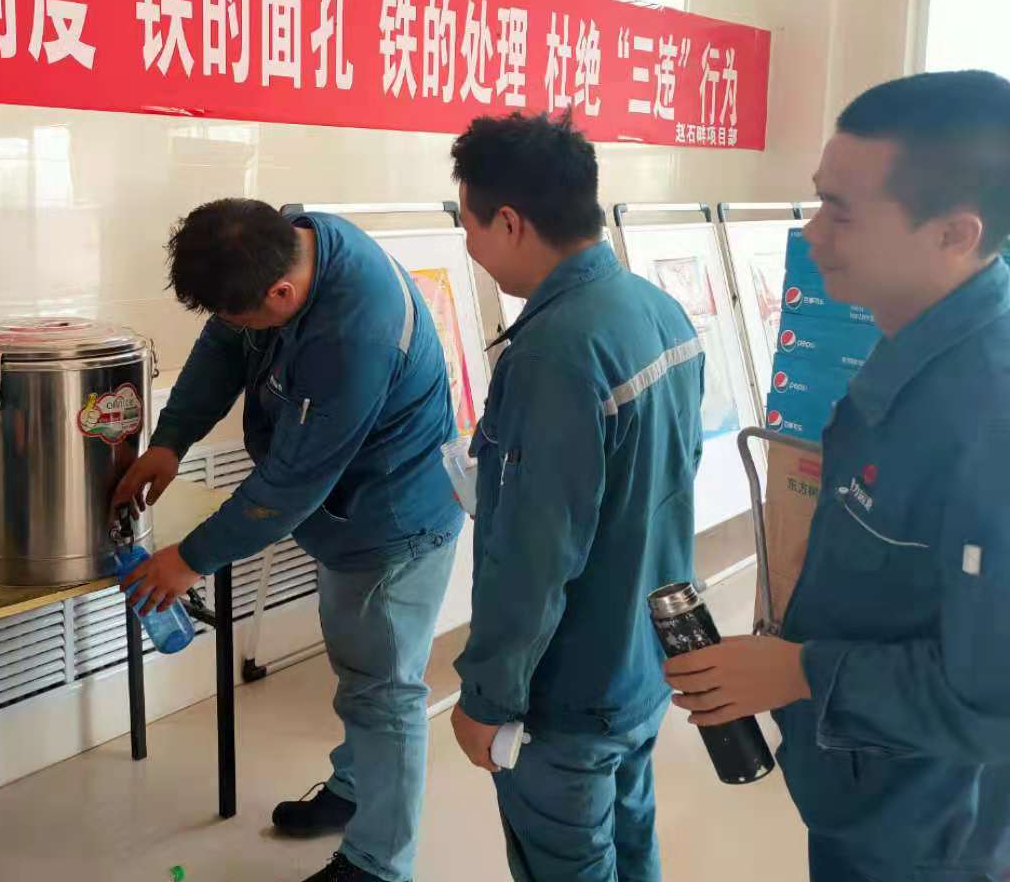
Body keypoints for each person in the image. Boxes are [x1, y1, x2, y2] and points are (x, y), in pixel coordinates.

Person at [664, 70, 1010, 882]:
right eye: (818, 200)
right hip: (860, 785)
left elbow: (993, 700)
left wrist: (797, 672)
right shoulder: (907, 347)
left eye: (840, 212)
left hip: (930, 832)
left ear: (953, 235)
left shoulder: (989, 421)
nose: (812, 234)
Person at [113, 199, 461, 882]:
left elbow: (290, 483)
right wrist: (170, 440)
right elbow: (222, 346)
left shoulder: (355, 335)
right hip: (345, 515)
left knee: (384, 693)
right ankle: (354, 790)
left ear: (280, 294)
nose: (237, 328)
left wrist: (190, 560)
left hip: (393, 523)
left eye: (245, 317)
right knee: (363, 675)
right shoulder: (287, 244)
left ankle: (378, 864)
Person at [447, 112, 705, 882]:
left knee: (568, 858)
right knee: (629, 840)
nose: (469, 245)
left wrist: (488, 696)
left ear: (509, 222)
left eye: (468, 225)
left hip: (569, 691)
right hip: (641, 658)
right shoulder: (658, 309)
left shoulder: (555, 353)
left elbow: (537, 553)